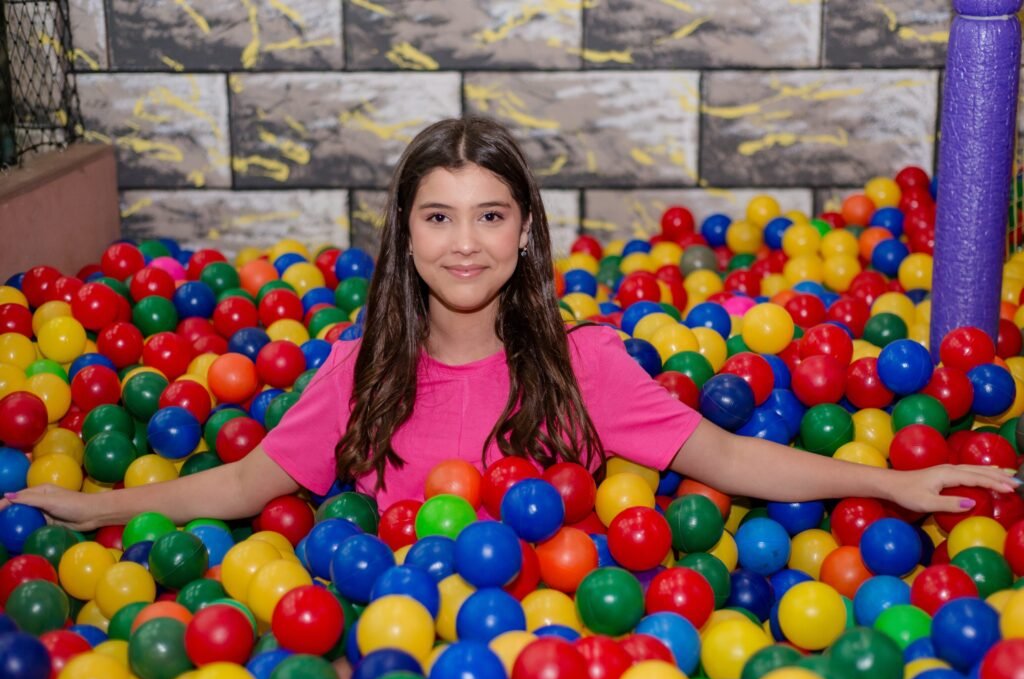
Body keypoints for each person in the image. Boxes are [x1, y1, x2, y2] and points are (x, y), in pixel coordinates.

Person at [0, 116, 1018, 532]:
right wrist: (96, 508)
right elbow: (239, 484)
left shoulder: (583, 365)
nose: (464, 244)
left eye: (490, 217)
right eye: (438, 218)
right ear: (404, 234)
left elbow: (728, 456)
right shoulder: (358, 371)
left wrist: (890, 481)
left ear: (525, 231)